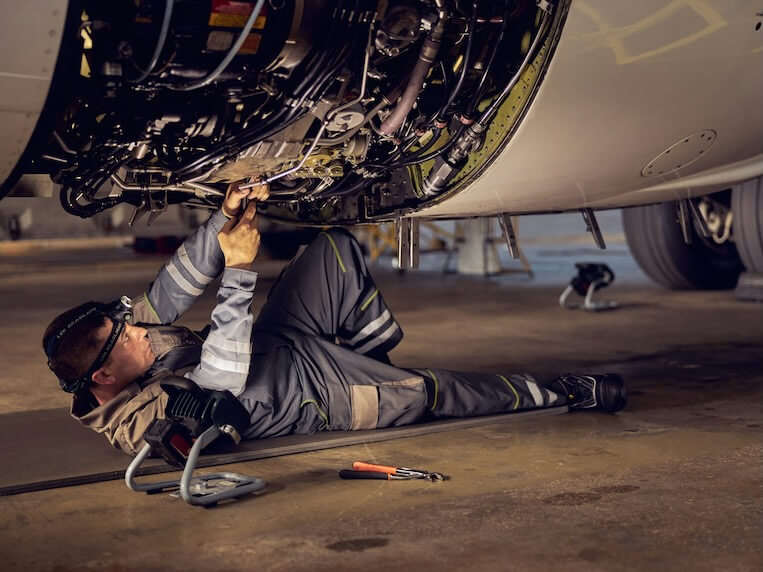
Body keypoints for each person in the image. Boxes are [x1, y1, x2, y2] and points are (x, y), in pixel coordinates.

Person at [43, 182, 627, 455]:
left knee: (336, 250)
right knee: (439, 390)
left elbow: (173, 285)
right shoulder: (147, 418)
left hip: (282, 344)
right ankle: (561, 394)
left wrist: (221, 226)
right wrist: (241, 272)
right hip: (316, 394)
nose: (140, 328)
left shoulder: (123, 347)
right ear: (102, 376)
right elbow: (222, 378)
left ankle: (372, 361)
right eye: (125, 335)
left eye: (129, 323)